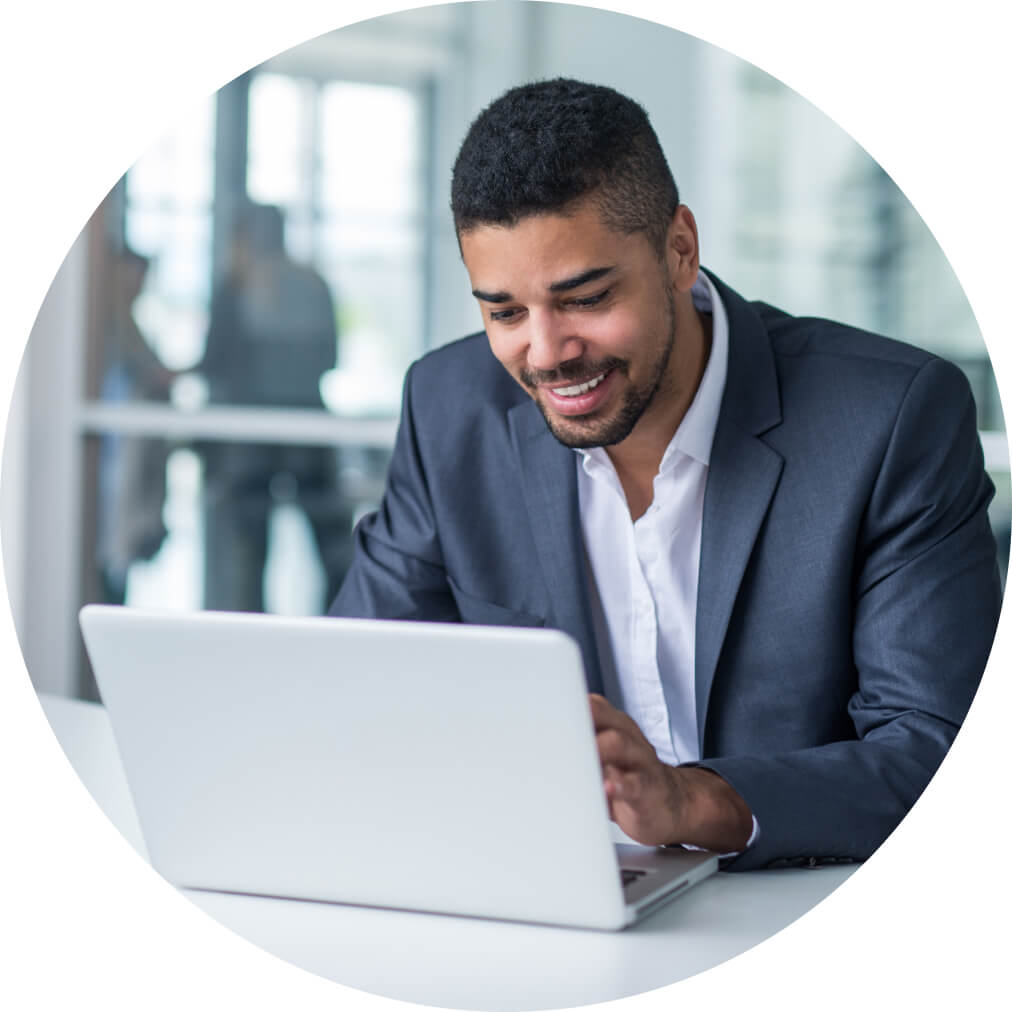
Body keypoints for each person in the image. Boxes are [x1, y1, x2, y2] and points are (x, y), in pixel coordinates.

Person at [329, 79, 1002, 869]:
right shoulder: (451, 410)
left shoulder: (888, 419)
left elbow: (936, 750)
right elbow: (357, 689)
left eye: (584, 298)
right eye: (505, 313)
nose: (544, 353)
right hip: (551, 895)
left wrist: (691, 799)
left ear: (679, 249)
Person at [196, 202, 352, 613]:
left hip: (251, 437)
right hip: (309, 427)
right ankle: (338, 629)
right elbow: (330, 358)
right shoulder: (314, 283)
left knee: (248, 550)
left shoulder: (237, 287)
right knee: (332, 545)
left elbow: (215, 363)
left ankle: (247, 644)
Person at [96, 245, 174, 603]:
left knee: (119, 559)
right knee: (110, 550)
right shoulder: (97, 328)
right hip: (110, 459)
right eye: (133, 279)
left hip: (130, 461)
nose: (137, 287)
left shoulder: (130, 326)